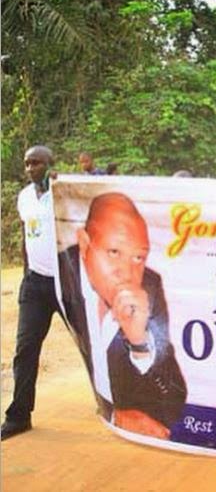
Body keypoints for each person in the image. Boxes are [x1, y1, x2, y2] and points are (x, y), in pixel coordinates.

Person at [58, 192, 187, 439]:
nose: (127, 273)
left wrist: (139, 343)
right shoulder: (60, 275)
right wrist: (116, 416)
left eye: (138, 257)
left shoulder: (148, 286)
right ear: (84, 244)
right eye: (114, 252)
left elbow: (173, 400)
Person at [1, 145, 64, 440]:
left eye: (36, 163)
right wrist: (27, 272)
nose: (30, 169)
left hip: (67, 285)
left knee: (92, 347)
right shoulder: (25, 197)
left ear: (51, 164)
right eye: (27, 164)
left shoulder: (65, 193)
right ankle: (19, 416)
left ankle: (115, 406)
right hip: (36, 284)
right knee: (25, 349)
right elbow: (27, 236)